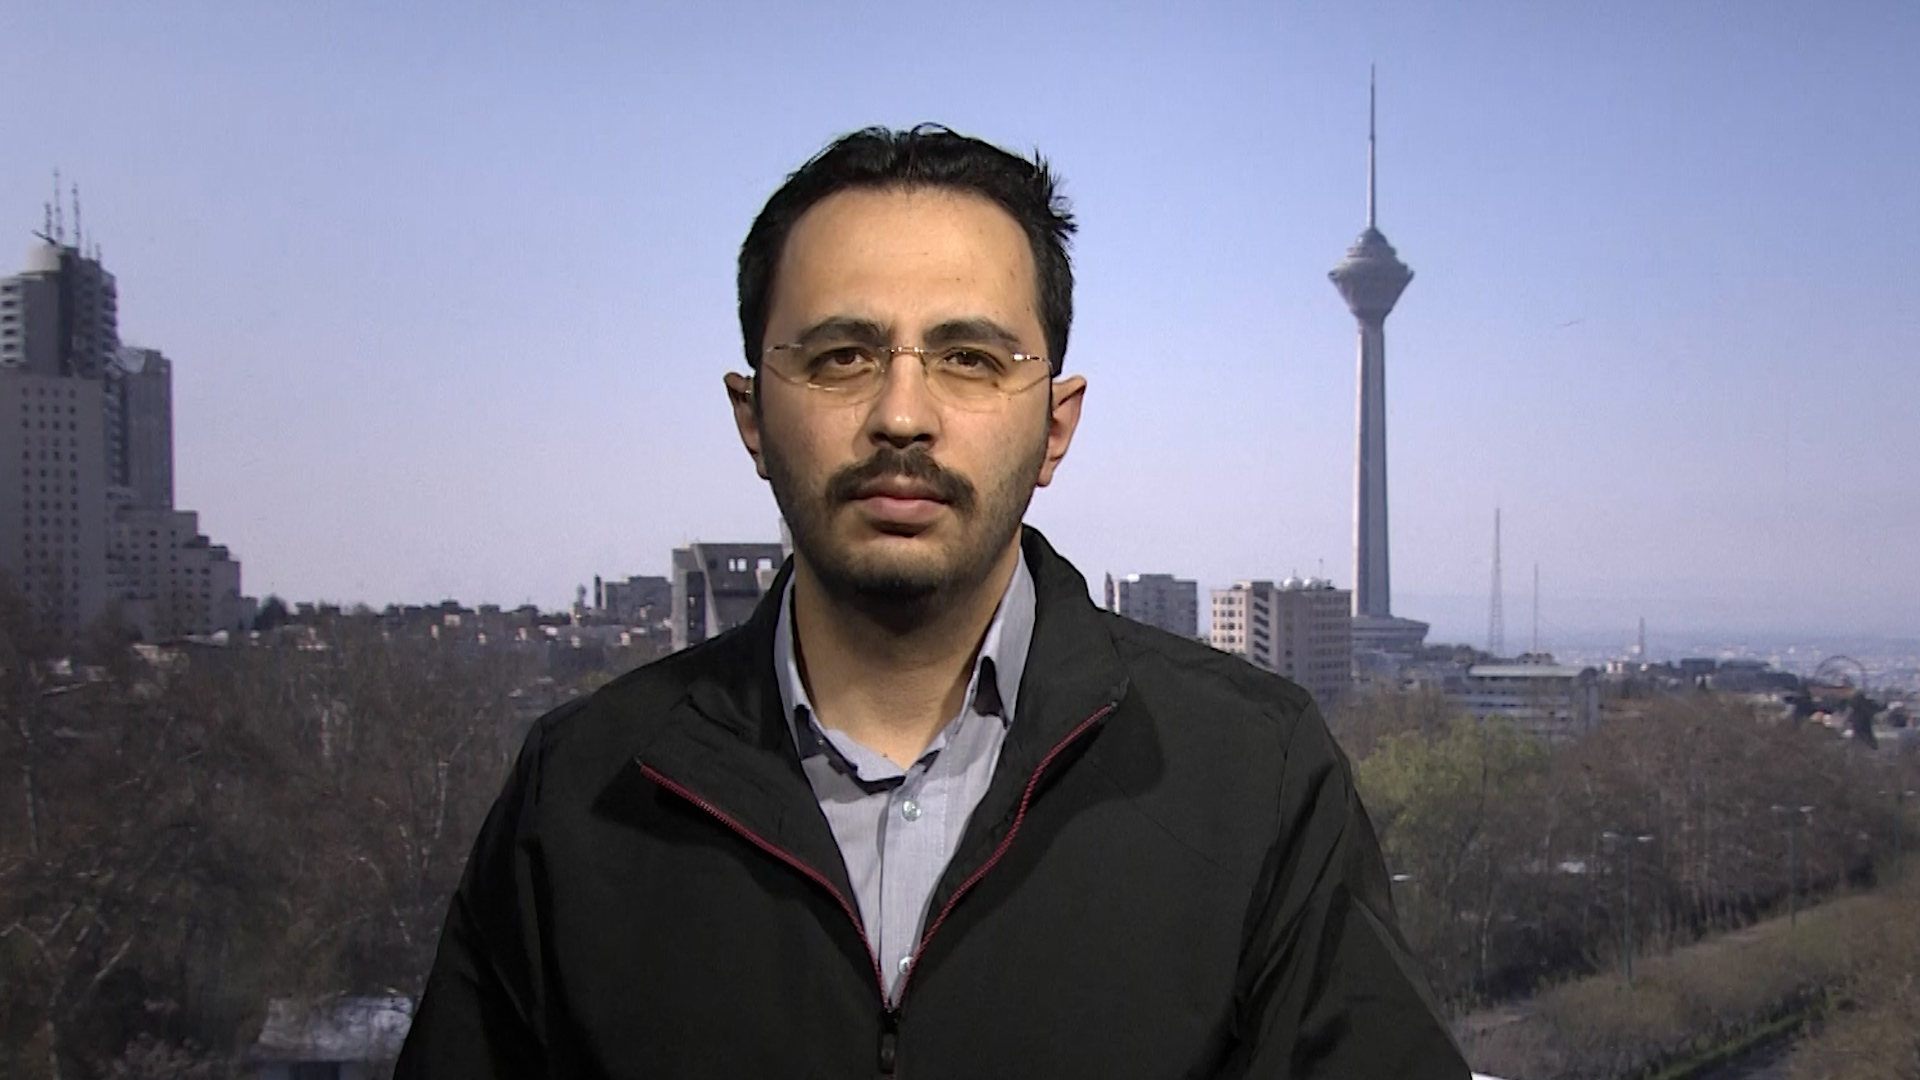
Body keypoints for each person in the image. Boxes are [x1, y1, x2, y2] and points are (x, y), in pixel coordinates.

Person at [396, 124, 1470, 1079]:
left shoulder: (1253, 777)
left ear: (1055, 426)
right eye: (841, 356)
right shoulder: (581, 793)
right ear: (752, 416)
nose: (902, 415)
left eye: (968, 358)